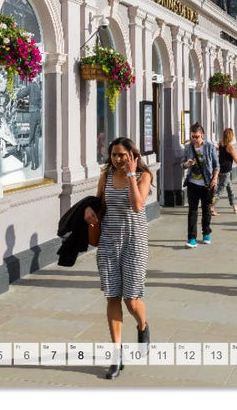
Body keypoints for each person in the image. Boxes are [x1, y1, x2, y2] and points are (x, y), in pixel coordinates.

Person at [83, 137, 152, 380]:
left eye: (122, 155)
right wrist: (88, 211)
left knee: (131, 299)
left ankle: (142, 325)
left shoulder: (144, 176)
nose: (117, 159)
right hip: (109, 243)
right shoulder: (106, 176)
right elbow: (99, 204)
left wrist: (132, 175)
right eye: (114, 155)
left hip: (134, 242)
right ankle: (116, 353)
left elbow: (137, 205)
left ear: (132, 155)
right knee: (112, 295)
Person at [182, 124, 219, 247]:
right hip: (192, 183)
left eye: (197, 137)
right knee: (192, 211)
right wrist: (187, 164)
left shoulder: (209, 147)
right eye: (192, 137)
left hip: (207, 184)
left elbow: (216, 165)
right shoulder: (188, 148)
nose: (194, 139)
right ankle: (191, 238)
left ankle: (206, 233)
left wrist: (215, 178)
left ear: (202, 135)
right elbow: (182, 164)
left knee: (206, 210)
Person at [213, 128, 237, 215]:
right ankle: (211, 207)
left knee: (230, 189)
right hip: (226, 171)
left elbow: (220, 155)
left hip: (221, 169)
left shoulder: (221, 144)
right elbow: (235, 159)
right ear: (231, 136)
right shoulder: (230, 147)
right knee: (220, 190)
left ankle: (235, 207)